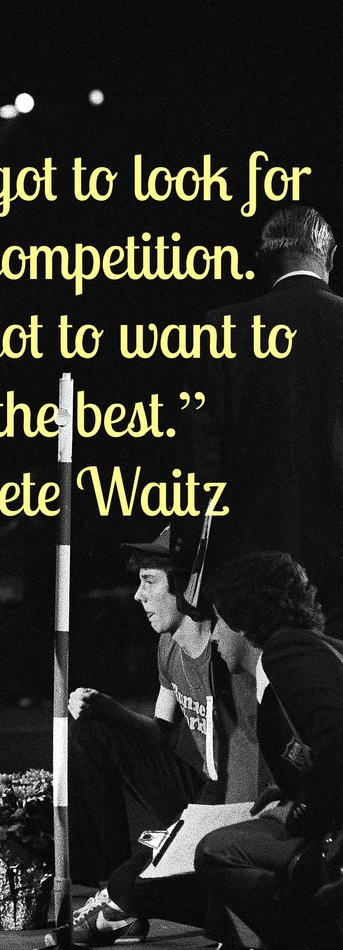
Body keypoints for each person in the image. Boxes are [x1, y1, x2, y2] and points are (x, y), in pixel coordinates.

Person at [62, 525, 248, 944]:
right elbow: (161, 734)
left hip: (231, 803)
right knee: (92, 731)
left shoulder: (227, 650)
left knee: (131, 888)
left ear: (183, 586)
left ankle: (237, 918)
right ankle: (108, 890)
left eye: (149, 582)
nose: (138, 595)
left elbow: (246, 768)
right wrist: (109, 709)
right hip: (202, 791)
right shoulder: (168, 644)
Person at [188, 205, 343, 637]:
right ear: (331, 258)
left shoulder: (221, 328)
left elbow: (201, 456)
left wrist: (191, 560)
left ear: (263, 262)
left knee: (266, 670)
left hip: (252, 556)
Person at [194, 551, 343, 950]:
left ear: (243, 620)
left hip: (333, 834)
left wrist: (299, 814)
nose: (214, 635)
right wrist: (289, 788)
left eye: (219, 620)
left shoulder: (287, 652)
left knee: (217, 851)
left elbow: (337, 740)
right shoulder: (313, 649)